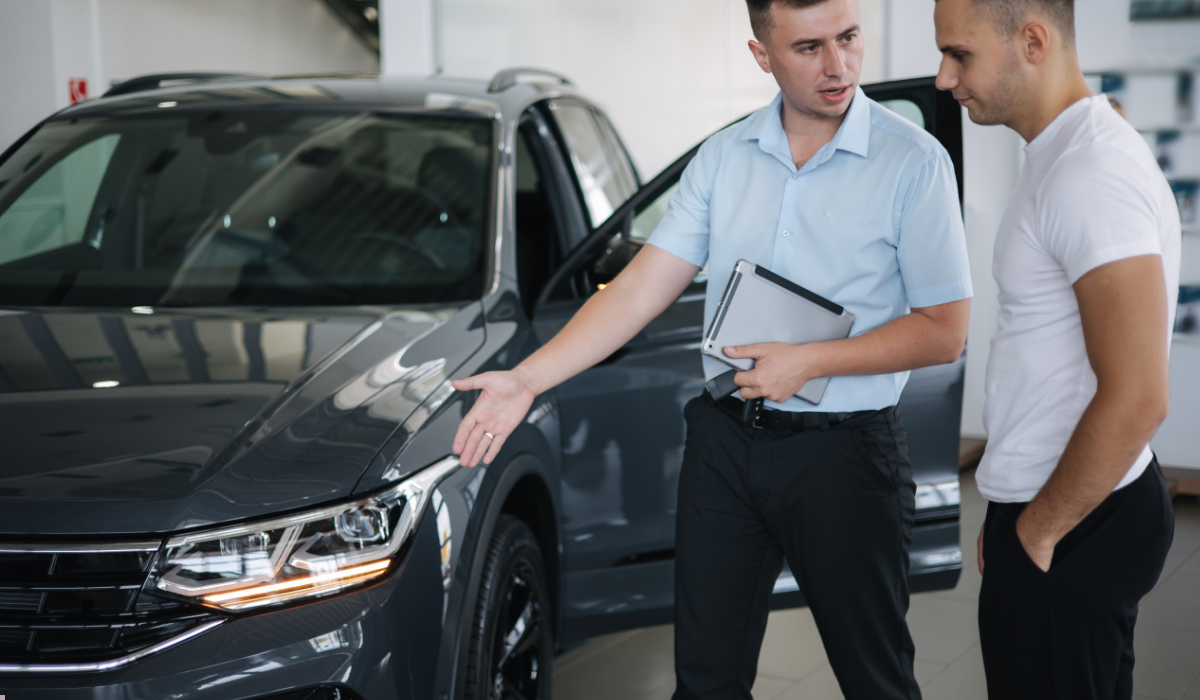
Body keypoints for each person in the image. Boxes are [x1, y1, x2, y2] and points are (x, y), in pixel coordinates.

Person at [453, 0, 973, 696]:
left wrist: (811, 361)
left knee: (874, 680)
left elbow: (944, 329)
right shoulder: (724, 157)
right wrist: (526, 379)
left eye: (848, 38)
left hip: (846, 454)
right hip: (726, 445)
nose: (838, 65)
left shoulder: (913, 162)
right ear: (762, 55)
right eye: (809, 47)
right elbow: (639, 291)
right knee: (703, 683)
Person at [933, 0, 1181, 697]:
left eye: (959, 54)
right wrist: (1010, 506)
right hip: (1061, 504)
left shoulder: (1089, 172)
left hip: (1075, 522)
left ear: (1033, 42)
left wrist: (1037, 530)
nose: (944, 78)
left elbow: (1139, 395)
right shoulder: (1065, 155)